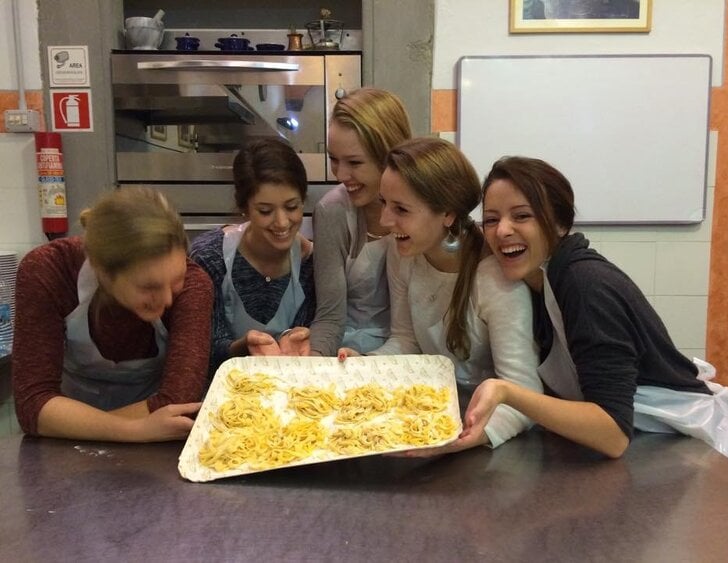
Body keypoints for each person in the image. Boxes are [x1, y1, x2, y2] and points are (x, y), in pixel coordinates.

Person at [466, 155, 728, 468]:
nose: (502, 230)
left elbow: (612, 434)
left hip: (690, 448)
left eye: (522, 216)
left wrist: (508, 392)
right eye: (491, 220)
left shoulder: (586, 286)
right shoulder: (536, 283)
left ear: (560, 223)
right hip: (645, 442)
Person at [341, 138, 542, 455]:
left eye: (401, 209)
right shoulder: (404, 253)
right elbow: (406, 340)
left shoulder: (496, 280)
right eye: (384, 204)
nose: (385, 221)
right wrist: (366, 365)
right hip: (431, 417)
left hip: (488, 442)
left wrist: (459, 439)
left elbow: (524, 396)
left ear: (447, 214)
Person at [12, 187, 213, 442]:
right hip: (67, 449)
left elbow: (177, 402)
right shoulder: (49, 270)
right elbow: (33, 404)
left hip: (141, 446)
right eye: (148, 287)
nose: (167, 299)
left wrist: (62, 422)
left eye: (176, 280)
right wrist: (134, 430)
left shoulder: (195, 285)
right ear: (102, 272)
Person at [190, 139, 315, 371]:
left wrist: (299, 338)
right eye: (265, 211)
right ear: (244, 207)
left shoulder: (311, 262)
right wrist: (243, 347)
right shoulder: (209, 258)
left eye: (291, 207)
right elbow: (199, 352)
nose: (282, 222)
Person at [310, 87, 412, 356]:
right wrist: (314, 365)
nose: (341, 175)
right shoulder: (332, 211)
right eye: (333, 159)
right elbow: (330, 317)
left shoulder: (427, 210)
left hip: (415, 353)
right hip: (348, 351)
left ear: (390, 156)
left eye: (355, 162)